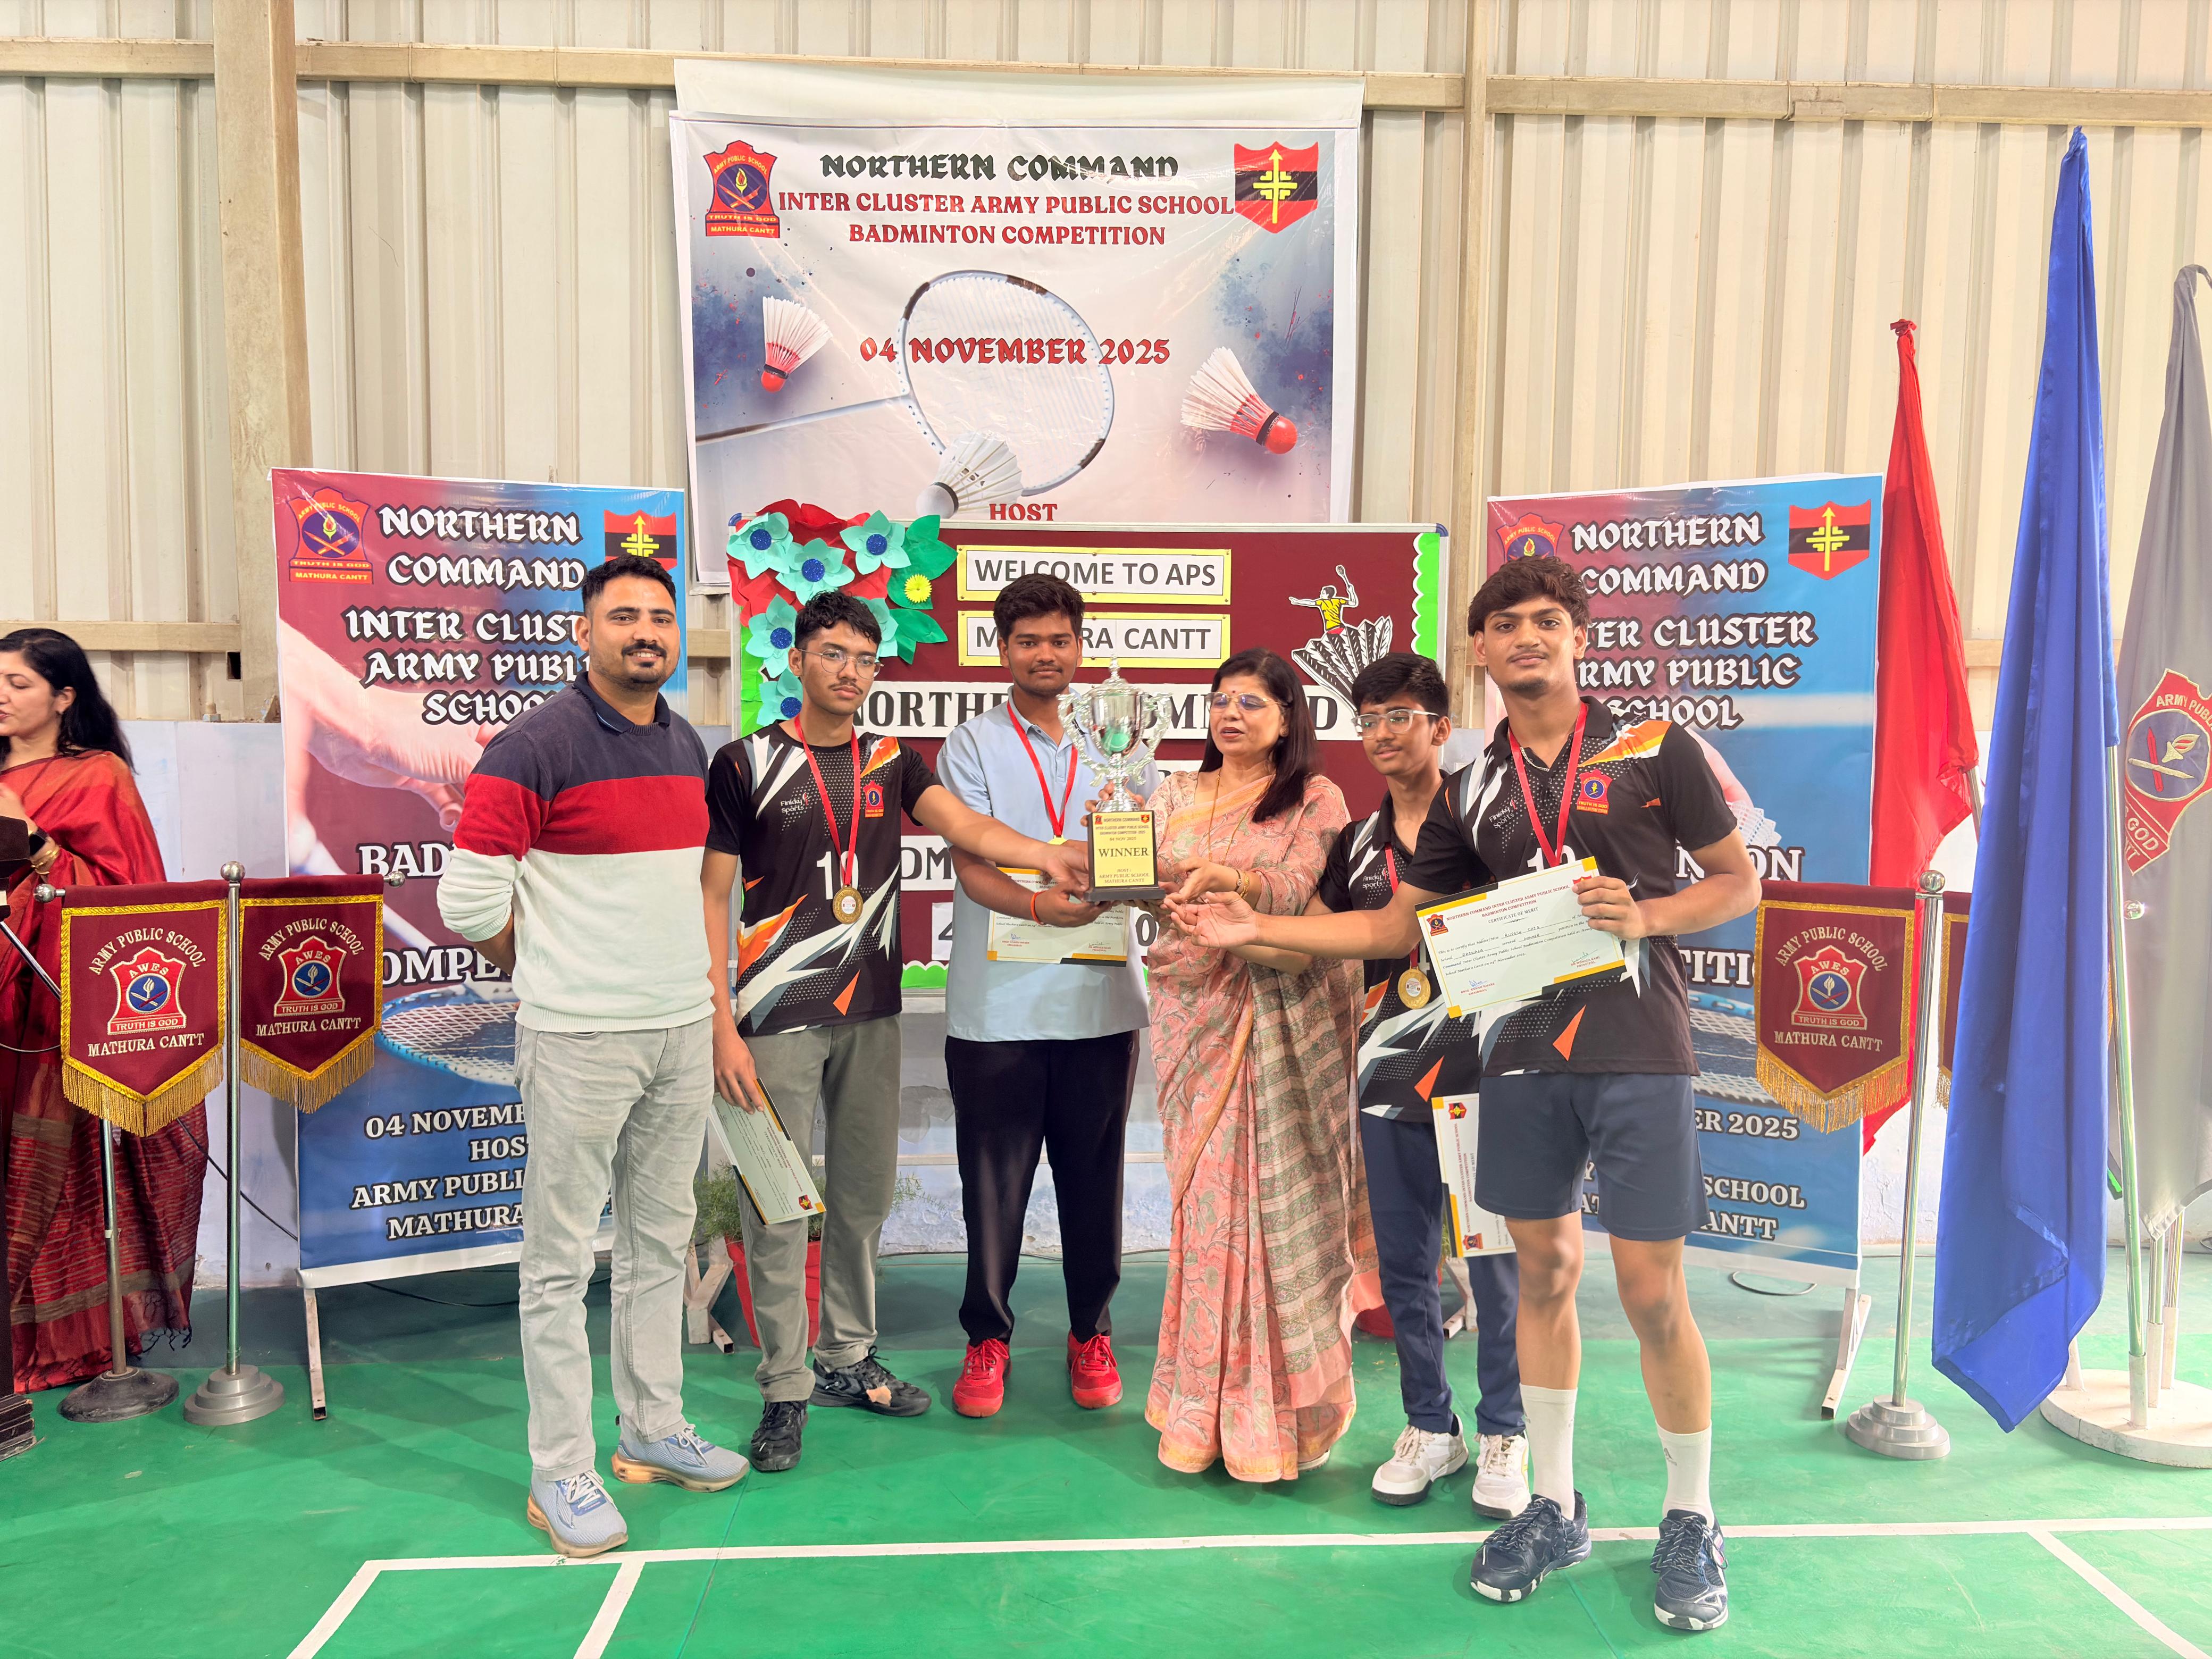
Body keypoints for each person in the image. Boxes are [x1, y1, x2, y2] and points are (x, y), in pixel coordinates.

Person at [1170, 556, 1759, 1632]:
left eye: (1547, 620)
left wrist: (1649, 915)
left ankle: (1690, 1515)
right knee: (1540, 1277)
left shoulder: (1653, 747)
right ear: (1480, 651)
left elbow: (1737, 879)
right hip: (1518, 1062)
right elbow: (1394, 927)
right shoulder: (1471, 789)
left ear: (1578, 636)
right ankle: (1553, 1503)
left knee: (1651, 1293)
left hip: (1639, 1050)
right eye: (1505, 624)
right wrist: (1257, 926)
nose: (1527, 637)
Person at [701, 590, 1088, 1474]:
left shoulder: (891, 762)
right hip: (771, 1018)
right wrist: (720, 1022)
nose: (851, 672)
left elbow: (968, 827)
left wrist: (1047, 855)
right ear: (797, 660)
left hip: (871, 1014)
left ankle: (845, 1355)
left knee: (864, 1196)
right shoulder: (743, 762)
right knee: (777, 1204)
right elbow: (711, 897)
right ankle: (785, 1385)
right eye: (833, 653)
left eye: (865, 659)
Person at [440, 555, 748, 1560]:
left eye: (661, 617)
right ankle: (560, 1468)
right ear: (584, 632)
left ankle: (652, 1429)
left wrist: (695, 1004)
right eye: (624, 617)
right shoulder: (534, 745)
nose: (646, 633)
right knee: (560, 1264)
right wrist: (552, 969)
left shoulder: (684, 741)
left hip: (678, 1029)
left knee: (661, 1245)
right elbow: (468, 904)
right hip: (577, 1038)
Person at [1217, 652, 1527, 1514]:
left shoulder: (1489, 822)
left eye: (1401, 716)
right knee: (1404, 1263)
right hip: (1389, 1074)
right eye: (1370, 719)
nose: (1384, 734)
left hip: (1484, 1071)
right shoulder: (1355, 843)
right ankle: (1431, 1426)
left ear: (1441, 727)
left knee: (1493, 1263)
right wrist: (1229, 927)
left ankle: (1506, 1430)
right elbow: (1309, 948)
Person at [1147, 647, 1377, 1481]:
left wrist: (1229, 879)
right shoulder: (1173, 792)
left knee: (1275, 1218)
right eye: (1221, 700)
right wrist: (1130, 875)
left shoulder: (1316, 797)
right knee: (1206, 1215)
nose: (1231, 714)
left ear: (1287, 720)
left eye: (1251, 702)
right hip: (1192, 1013)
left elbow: (1294, 885)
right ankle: (1197, 1412)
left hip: (1279, 1013)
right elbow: (1142, 881)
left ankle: (1271, 1421)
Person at [936, 573, 1149, 1419]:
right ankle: (986, 1336)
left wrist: (1133, 883)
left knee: (1095, 1179)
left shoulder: (1123, 742)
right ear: (1003, 650)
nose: (1045, 654)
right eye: (1028, 641)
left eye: (1060, 639)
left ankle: (1091, 1330)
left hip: (1100, 999)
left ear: (1080, 646)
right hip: (997, 1007)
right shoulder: (972, 744)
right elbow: (970, 864)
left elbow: (1143, 851)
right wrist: (1036, 906)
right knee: (992, 1184)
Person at [0, 629, 208, 1394]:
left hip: (51, 1006)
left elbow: (129, 900)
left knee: (58, 1177)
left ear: (64, 697)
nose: (0, 696)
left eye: (18, 683)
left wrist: (34, 842)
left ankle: (62, 1343)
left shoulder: (97, 776)